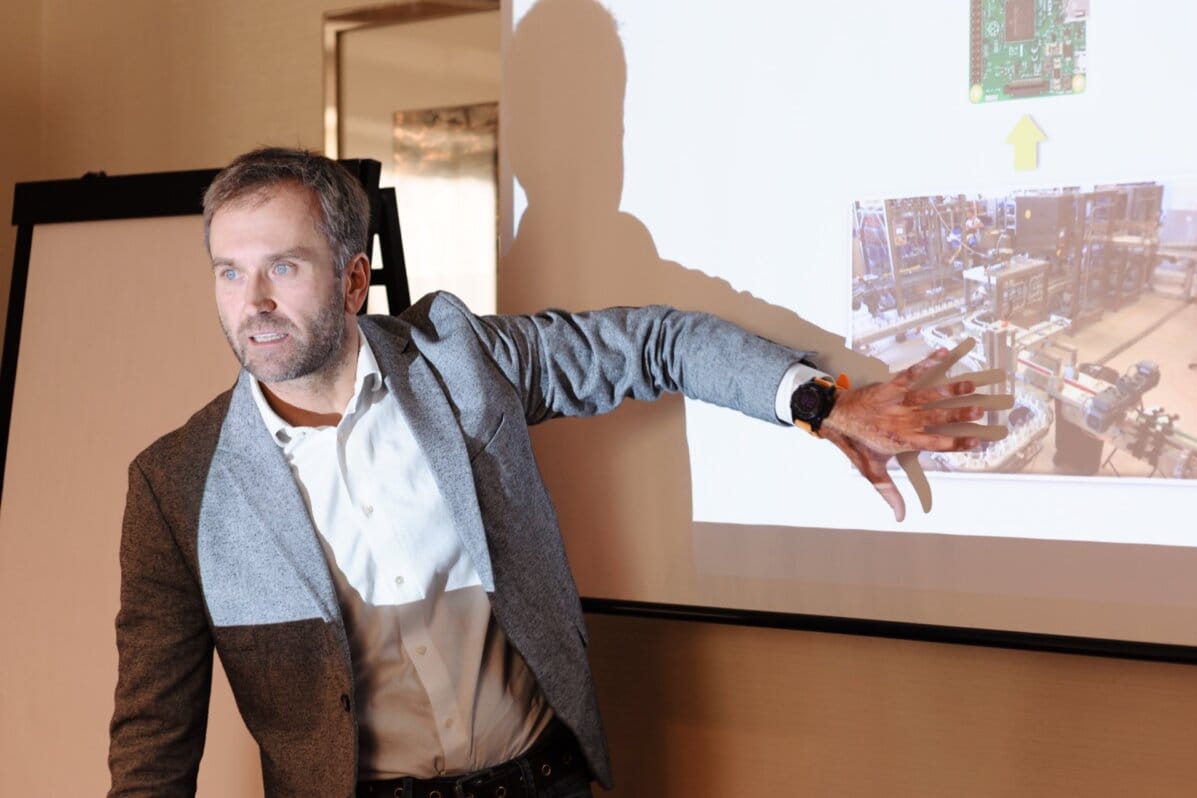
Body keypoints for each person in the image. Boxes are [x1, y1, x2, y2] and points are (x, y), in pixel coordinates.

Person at [107, 148, 994, 798]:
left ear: (351, 280)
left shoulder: (462, 364)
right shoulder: (175, 484)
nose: (252, 304)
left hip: (538, 782)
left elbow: (658, 342)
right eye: (230, 272)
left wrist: (821, 403)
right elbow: (155, 735)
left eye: (282, 268)